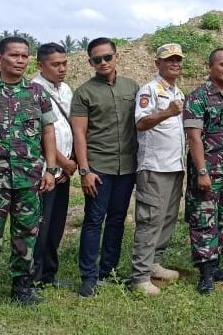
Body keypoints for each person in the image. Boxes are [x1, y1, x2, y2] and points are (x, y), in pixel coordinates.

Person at [0, 37, 59, 308]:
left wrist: (51, 168)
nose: (20, 61)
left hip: (29, 177)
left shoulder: (36, 92)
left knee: (27, 233)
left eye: (24, 56)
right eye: (14, 56)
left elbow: (48, 131)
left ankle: (22, 287)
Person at [72, 38, 139, 297]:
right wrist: (85, 171)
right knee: (93, 221)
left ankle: (108, 270)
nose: (103, 63)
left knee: (118, 219)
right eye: (97, 59)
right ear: (90, 62)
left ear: (116, 57)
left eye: (107, 57)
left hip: (127, 167)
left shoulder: (132, 87)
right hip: (99, 167)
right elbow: (80, 134)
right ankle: (88, 276)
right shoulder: (84, 92)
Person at [183, 48, 223, 293]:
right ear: (210, 67)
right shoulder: (198, 97)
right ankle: (206, 272)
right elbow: (194, 138)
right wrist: (202, 171)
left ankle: (216, 264)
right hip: (208, 171)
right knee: (204, 221)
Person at [129, 43, 187, 295]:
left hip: (174, 167)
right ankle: (139, 276)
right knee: (150, 220)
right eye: (169, 60)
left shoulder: (178, 92)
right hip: (154, 167)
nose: (174, 63)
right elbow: (141, 123)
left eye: (178, 60)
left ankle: (154, 263)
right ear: (158, 63)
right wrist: (166, 112)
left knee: (167, 218)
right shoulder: (149, 90)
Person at [31, 43, 78, 288]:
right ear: (40, 65)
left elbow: (70, 127)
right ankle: (34, 276)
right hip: (44, 171)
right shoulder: (33, 89)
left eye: (64, 63)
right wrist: (62, 163)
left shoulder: (66, 89)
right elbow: (39, 135)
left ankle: (49, 274)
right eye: (55, 64)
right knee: (41, 224)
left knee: (57, 223)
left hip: (64, 172)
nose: (62, 69)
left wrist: (71, 164)